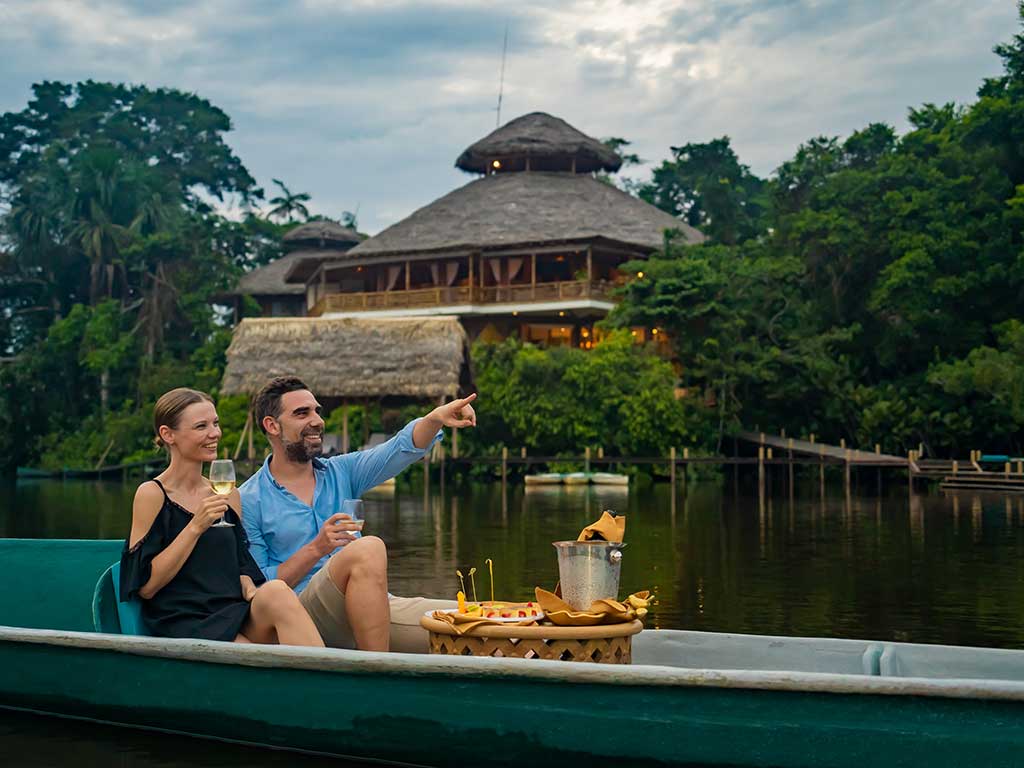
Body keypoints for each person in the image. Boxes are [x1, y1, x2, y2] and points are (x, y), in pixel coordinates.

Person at [239, 376, 476, 652]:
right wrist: (317, 548)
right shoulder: (249, 499)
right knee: (368, 548)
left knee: (483, 619)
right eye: (302, 413)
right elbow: (261, 588)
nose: (316, 420)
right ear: (272, 425)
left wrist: (434, 419)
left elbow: (398, 450)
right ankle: (375, 674)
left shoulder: (342, 471)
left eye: (317, 411)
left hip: (372, 606)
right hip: (302, 615)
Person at [120, 387, 323, 647]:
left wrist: (250, 590)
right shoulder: (152, 494)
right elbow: (146, 587)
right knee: (253, 652)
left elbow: (240, 564)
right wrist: (195, 526)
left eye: (215, 423)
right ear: (167, 434)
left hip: (232, 612)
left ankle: (331, 683)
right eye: (201, 426)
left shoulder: (228, 495)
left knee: (277, 591)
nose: (214, 433)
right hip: (184, 619)